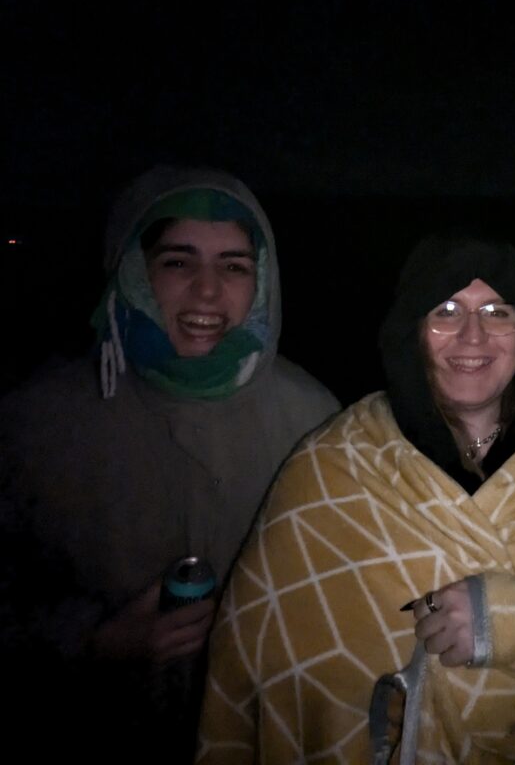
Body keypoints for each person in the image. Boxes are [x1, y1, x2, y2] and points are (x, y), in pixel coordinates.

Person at [195, 232, 515, 763]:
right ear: (413, 331)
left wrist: (508, 620)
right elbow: (251, 664)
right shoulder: (331, 467)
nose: (473, 334)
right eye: (446, 310)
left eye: (496, 311)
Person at [0, 166, 339, 764]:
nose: (208, 292)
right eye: (179, 262)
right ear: (134, 270)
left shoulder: (314, 418)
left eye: (234, 266)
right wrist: (93, 642)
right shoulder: (36, 422)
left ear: (261, 282)